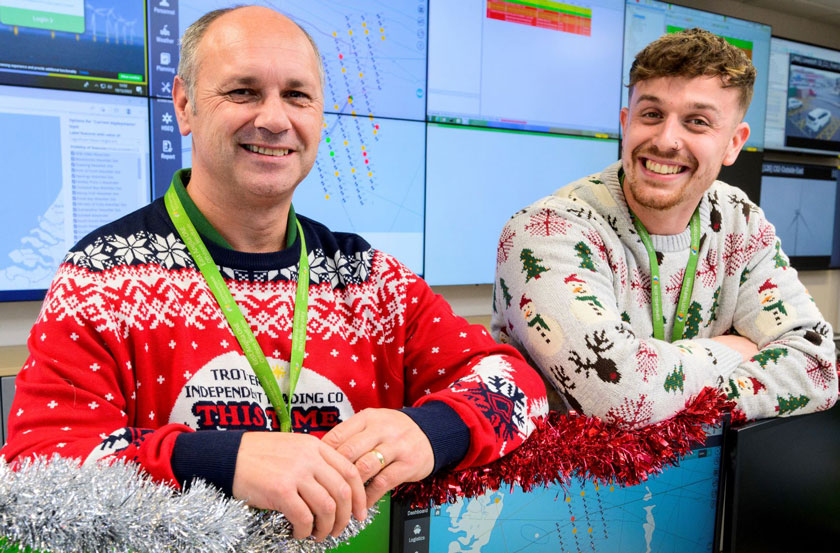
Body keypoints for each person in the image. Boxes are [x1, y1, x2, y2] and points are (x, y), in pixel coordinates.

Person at [1, 6, 547, 542]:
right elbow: (37, 466)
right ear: (185, 105)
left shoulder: (369, 279)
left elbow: (519, 385)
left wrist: (430, 431)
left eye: (297, 95)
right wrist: (221, 459)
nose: (274, 118)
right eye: (242, 91)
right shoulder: (101, 277)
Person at [492, 28, 836, 430]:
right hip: (570, 490)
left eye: (697, 121)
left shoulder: (739, 221)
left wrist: (661, 381)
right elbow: (622, 399)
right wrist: (727, 352)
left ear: (733, 143)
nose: (666, 140)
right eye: (652, 114)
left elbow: (818, 368)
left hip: (705, 485)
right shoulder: (545, 231)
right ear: (626, 122)